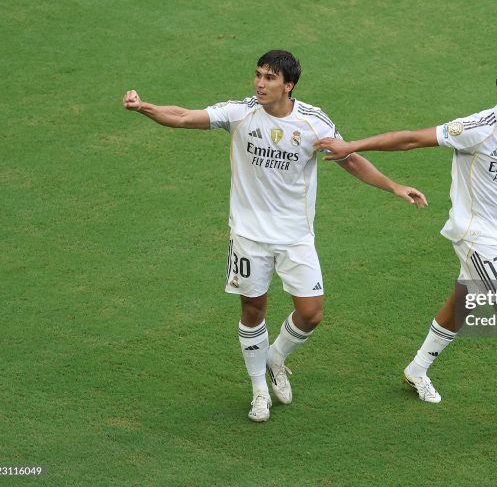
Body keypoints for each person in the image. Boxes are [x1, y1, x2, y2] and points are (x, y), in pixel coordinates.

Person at [122, 50, 427, 422]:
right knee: (253, 310)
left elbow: (349, 158)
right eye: (258, 75)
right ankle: (258, 391)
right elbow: (184, 116)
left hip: (295, 237)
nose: (259, 83)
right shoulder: (241, 113)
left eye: (269, 78)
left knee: (311, 313)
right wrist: (143, 107)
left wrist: (394, 187)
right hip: (249, 236)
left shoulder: (313, 123)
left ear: (289, 85)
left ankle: (276, 356)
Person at [317, 66, 497, 423]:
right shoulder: (475, 129)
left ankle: (417, 369)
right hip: (473, 236)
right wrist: (352, 145)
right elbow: (411, 139)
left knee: (464, 303)